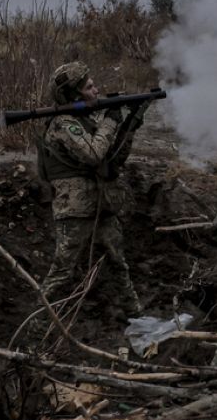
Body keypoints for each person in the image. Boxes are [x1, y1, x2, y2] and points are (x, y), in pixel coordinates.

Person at [37, 61, 150, 322]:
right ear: (75, 94)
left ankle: (137, 318)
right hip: (75, 210)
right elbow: (93, 153)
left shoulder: (84, 121)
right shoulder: (63, 123)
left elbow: (111, 160)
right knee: (61, 274)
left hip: (101, 203)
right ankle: (35, 331)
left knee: (118, 263)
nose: (96, 90)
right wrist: (110, 120)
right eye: (89, 87)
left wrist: (130, 123)